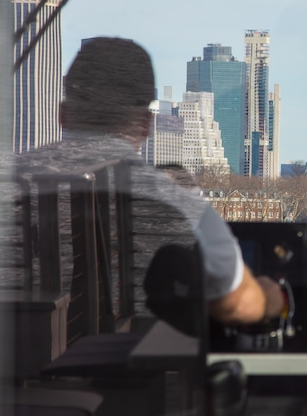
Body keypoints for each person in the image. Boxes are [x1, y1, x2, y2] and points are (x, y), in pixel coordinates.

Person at [18, 36, 285, 327]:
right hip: (127, 366)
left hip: (4, 361)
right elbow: (237, 303)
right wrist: (271, 297)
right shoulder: (176, 200)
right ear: (146, 123)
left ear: (63, 114)